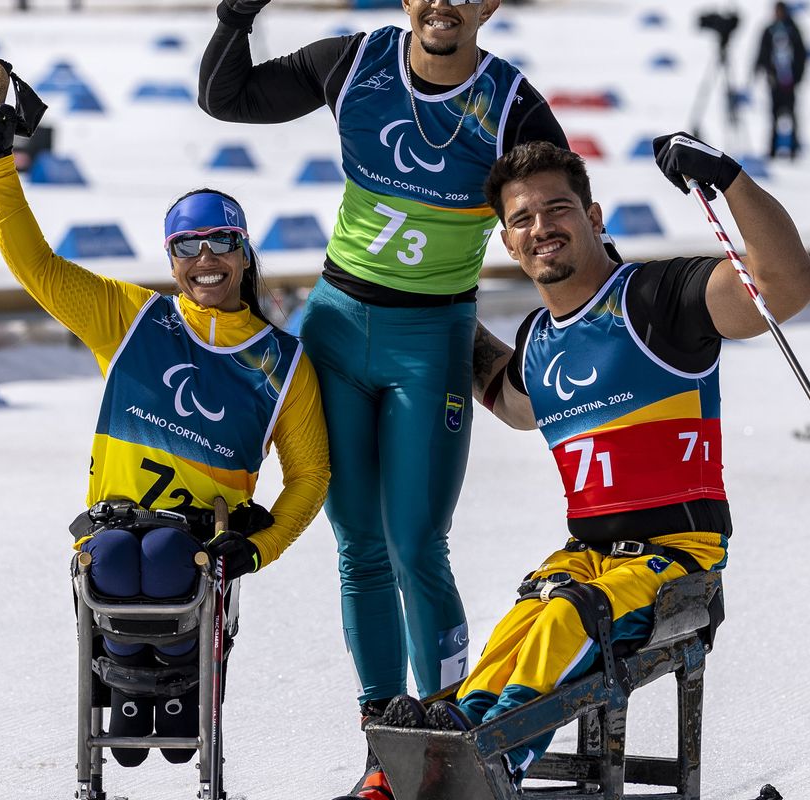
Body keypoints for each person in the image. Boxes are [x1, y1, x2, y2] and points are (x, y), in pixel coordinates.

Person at [198, 3, 567, 796]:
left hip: (430, 342)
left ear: (488, 7)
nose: (441, 3)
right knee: (359, 547)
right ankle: (381, 757)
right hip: (335, 329)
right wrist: (235, 17)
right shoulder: (353, 62)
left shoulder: (511, 105)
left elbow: (552, 219)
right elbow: (227, 99)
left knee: (415, 545)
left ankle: (443, 742)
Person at [375, 134, 810, 788]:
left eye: (556, 209)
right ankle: (449, 735)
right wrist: (434, 307)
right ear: (508, 243)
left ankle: (489, 761)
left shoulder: (658, 299)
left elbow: (790, 284)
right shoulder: (539, 338)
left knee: (565, 617)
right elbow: (513, 398)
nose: (539, 228)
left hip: (678, 559)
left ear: (593, 218)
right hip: (587, 560)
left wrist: (727, 178)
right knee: (522, 623)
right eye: (521, 220)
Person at [0, 103, 330, 767]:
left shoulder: (284, 362)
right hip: (114, 526)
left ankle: (172, 681)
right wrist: (0, 169)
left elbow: (311, 477)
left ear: (246, 253)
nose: (205, 259)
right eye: (185, 247)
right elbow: (39, 268)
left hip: (194, 539)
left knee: (165, 555)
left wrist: (260, 549)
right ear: (171, 259)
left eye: (220, 241)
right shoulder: (134, 319)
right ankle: (129, 684)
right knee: (110, 561)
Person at [753, 1, 808, 160]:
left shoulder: (794, 30)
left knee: (791, 115)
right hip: (774, 81)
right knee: (773, 116)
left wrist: (798, 77)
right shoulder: (769, 30)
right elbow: (762, 52)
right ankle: (772, 149)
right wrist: (759, 69)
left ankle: (793, 148)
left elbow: (801, 55)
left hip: (790, 81)